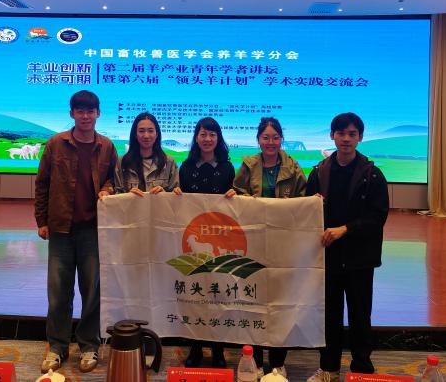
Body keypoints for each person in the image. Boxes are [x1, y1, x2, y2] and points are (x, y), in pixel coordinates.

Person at [34, 90, 118, 373]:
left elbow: (113, 180)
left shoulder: (106, 146)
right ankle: (57, 347)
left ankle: (89, 346)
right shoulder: (56, 144)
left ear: (98, 113)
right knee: (59, 292)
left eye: (90, 111)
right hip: (61, 229)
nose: (85, 116)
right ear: (71, 113)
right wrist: (41, 220)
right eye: (80, 111)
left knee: (92, 291)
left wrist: (107, 189)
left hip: (92, 230)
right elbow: (42, 183)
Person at [305, 112, 389, 382]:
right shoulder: (318, 172)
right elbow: (305, 213)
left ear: (360, 137)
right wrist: (313, 205)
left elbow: (377, 217)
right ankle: (328, 368)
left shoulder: (373, 175)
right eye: (341, 133)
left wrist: (345, 229)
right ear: (332, 136)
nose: (346, 139)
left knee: (360, 316)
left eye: (352, 134)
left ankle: (362, 369)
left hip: (360, 259)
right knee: (329, 316)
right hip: (328, 257)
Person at [233, 116, 307, 378]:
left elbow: (302, 199)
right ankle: (254, 359)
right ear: (258, 139)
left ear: (281, 139)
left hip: (282, 244)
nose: (271, 142)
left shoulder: (293, 166)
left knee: (280, 303)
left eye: (275, 137)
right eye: (266, 137)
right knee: (252, 299)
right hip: (252, 243)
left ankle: (277, 362)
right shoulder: (248, 165)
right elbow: (236, 193)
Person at [179, 117, 236, 369]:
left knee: (218, 294)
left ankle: (218, 349)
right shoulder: (186, 166)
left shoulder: (227, 168)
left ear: (218, 138)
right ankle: (195, 347)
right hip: (193, 237)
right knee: (195, 294)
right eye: (203, 134)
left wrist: (235, 195)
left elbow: (234, 205)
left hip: (219, 239)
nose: (207, 139)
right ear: (196, 137)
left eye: (212, 134)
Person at [114, 112, 181, 195]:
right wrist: (128, 196)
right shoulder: (122, 162)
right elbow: (117, 196)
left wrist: (164, 195)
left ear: (157, 134)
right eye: (141, 131)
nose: (146, 135)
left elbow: (175, 196)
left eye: (150, 131)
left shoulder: (169, 162)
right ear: (135, 134)